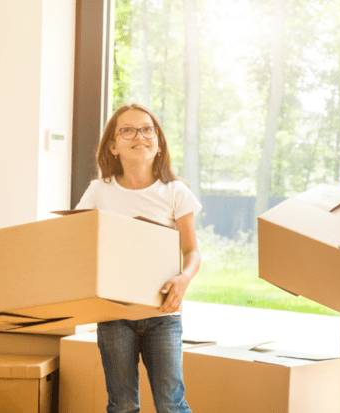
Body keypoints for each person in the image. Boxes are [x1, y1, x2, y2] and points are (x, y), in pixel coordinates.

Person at [76, 103, 201, 413]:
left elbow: (192, 252)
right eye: (128, 130)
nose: (140, 136)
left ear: (158, 143)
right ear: (113, 145)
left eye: (147, 129)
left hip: (163, 313)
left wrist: (184, 280)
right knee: (122, 406)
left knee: (171, 405)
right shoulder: (98, 192)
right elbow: (76, 240)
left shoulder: (175, 192)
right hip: (114, 312)